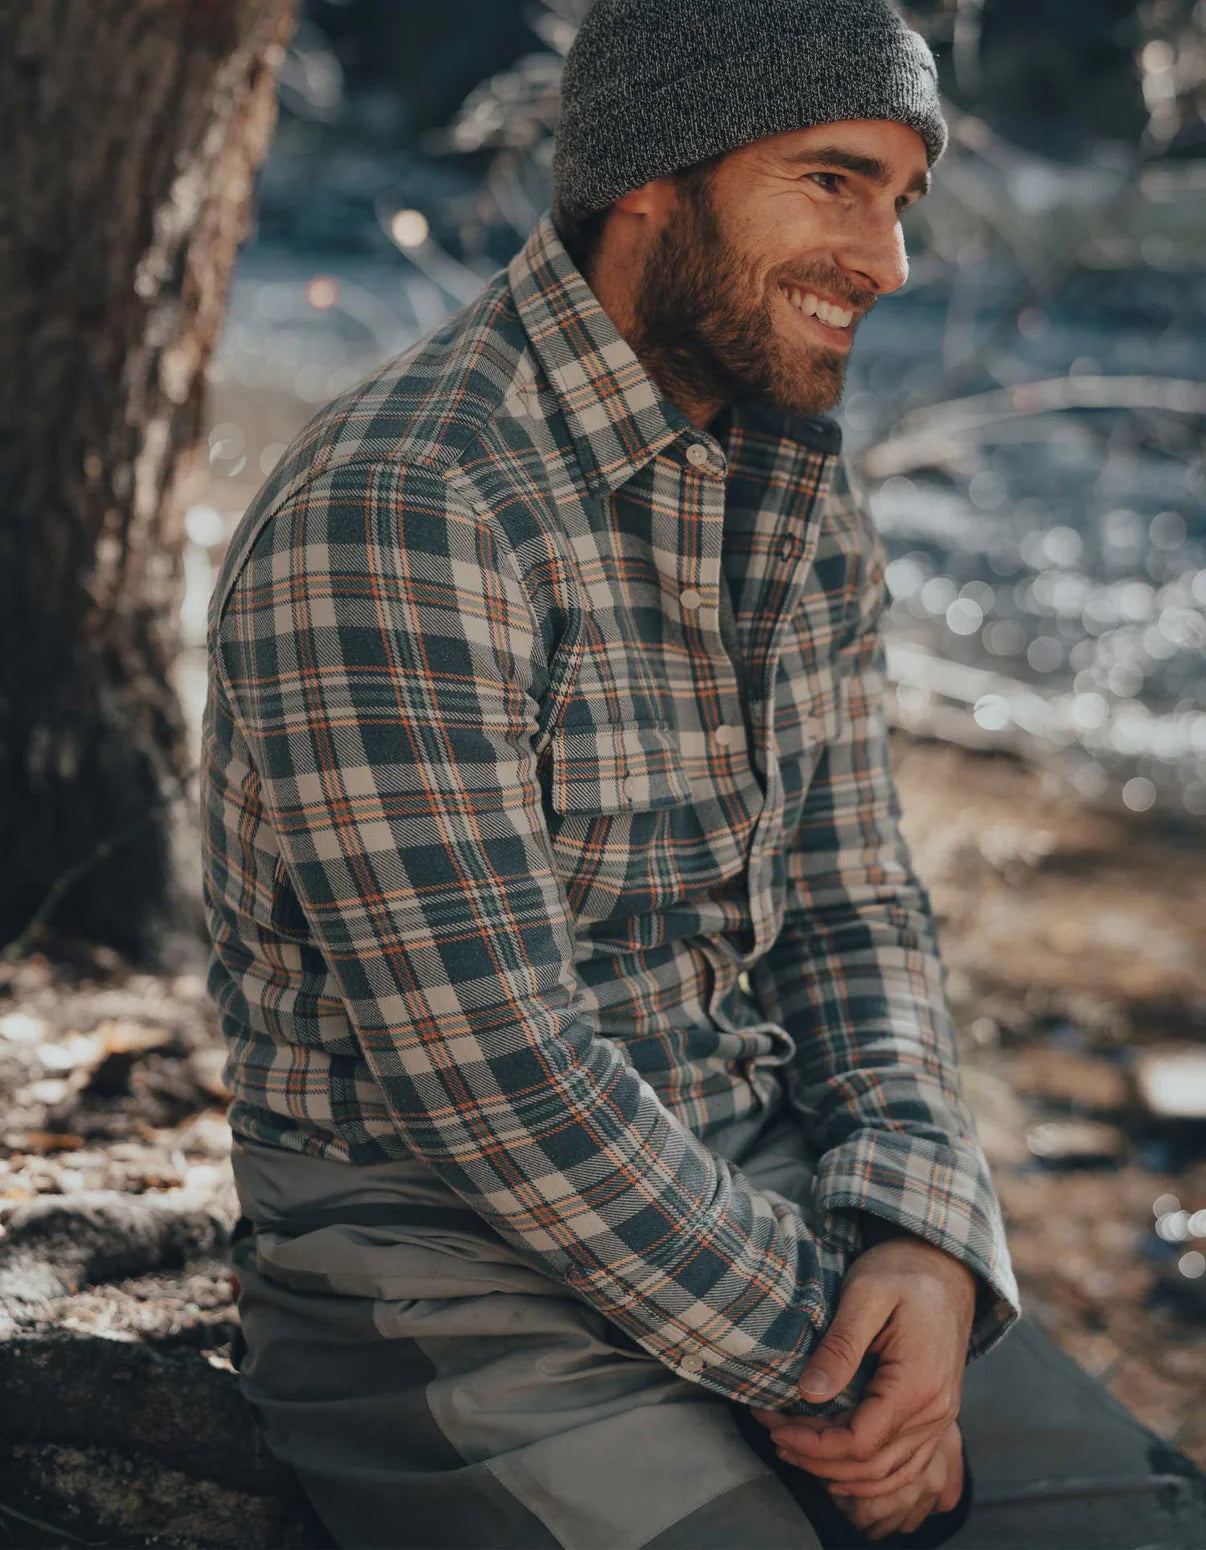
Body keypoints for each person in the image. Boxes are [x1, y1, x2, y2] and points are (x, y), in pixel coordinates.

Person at [201, 2, 1206, 1547]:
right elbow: (495, 1076)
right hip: (439, 1268)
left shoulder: (788, 487)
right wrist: (829, 1345)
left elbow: (850, 904)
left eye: (897, 199)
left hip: (765, 1189)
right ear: (647, 180)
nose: (886, 263)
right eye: (831, 182)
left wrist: (922, 1238)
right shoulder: (405, 508)